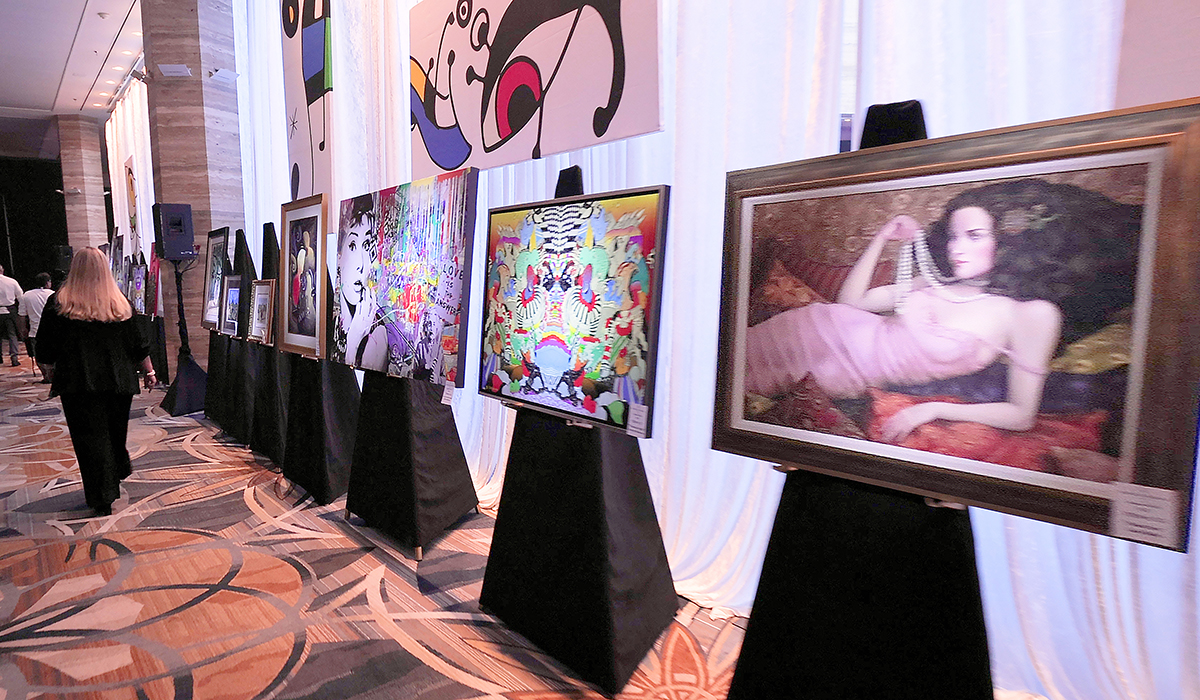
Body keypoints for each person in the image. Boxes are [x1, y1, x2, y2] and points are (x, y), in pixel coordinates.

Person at [744, 178, 1139, 444]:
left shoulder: (1030, 315)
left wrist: (929, 410)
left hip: (835, 373)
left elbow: (1021, 414)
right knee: (715, 364)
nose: (956, 249)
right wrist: (882, 237)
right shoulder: (936, 283)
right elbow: (849, 305)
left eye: (974, 236)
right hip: (810, 327)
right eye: (953, 237)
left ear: (1010, 242)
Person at [35, 247, 157, 517]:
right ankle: (117, 469)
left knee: (88, 439)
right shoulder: (120, 303)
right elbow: (138, 344)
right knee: (115, 432)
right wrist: (149, 372)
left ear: (73, 269)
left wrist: (52, 366)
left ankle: (102, 495)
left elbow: (44, 350)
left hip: (78, 382)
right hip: (119, 381)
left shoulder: (59, 304)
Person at [334, 193, 388, 371]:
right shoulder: (333, 321)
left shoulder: (377, 336)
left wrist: (355, 342)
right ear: (339, 256)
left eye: (366, 246)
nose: (362, 265)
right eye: (352, 245)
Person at [18, 271, 54, 381]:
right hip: (52, 330)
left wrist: (22, 329)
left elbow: (22, 315)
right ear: (48, 282)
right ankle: (53, 375)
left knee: (38, 355)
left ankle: (46, 376)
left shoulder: (27, 295)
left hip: (34, 330)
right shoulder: (53, 294)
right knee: (53, 353)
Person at [0, 263, 24, 366]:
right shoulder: (11, 281)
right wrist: (22, 312)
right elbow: (21, 296)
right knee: (12, 334)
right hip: (10, 311)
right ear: (2, 270)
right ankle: (14, 357)